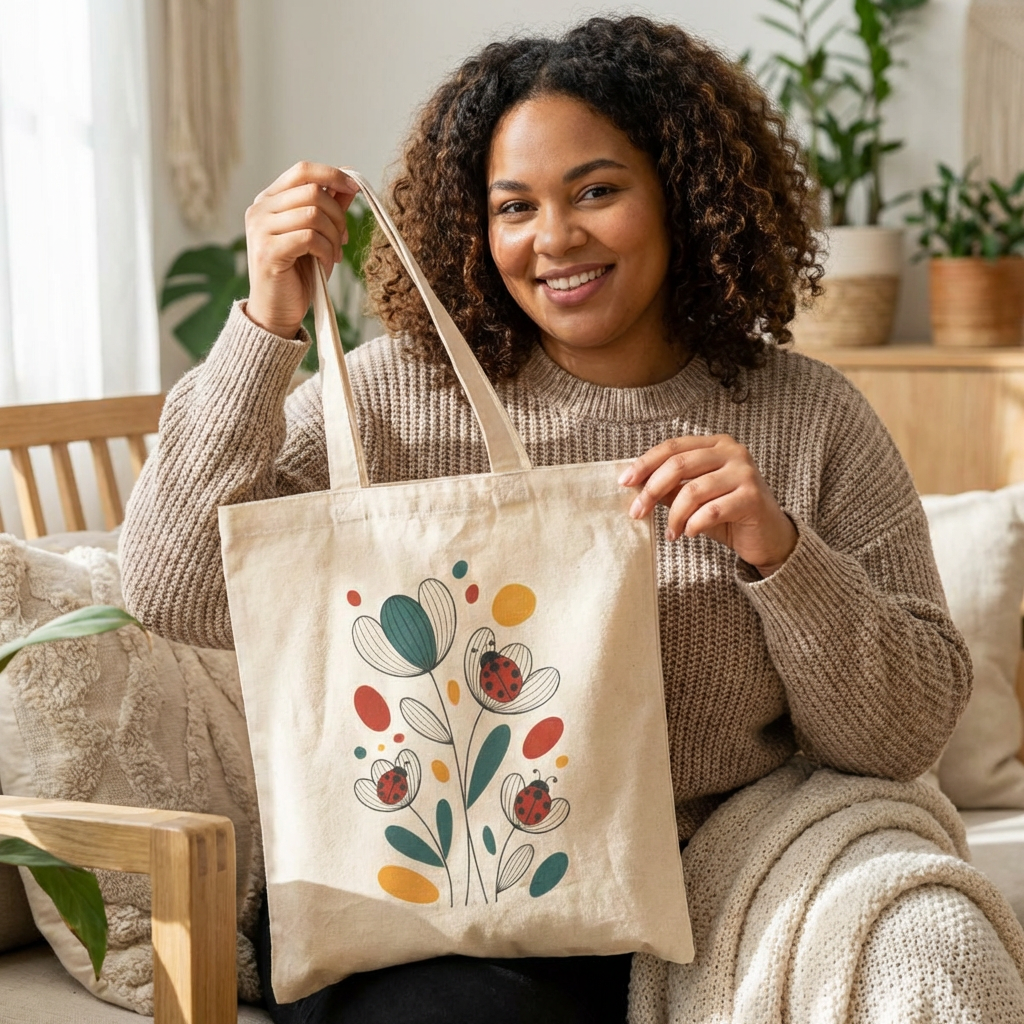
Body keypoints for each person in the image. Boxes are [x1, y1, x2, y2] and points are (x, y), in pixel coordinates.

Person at [121, 15, 983, 1024]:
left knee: (932, 944)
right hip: (407, 912)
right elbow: (169, 589)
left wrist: (779, 552)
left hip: (699, 895)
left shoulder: (807, 416)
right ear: (474, 229)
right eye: (514, 206)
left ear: (684, 195)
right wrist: (265, 322)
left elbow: (905, 731)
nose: (555, 238)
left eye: (597, 191)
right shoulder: (393, 400)